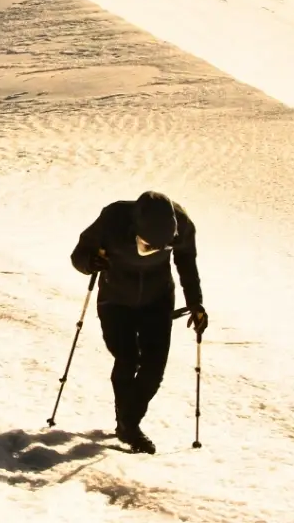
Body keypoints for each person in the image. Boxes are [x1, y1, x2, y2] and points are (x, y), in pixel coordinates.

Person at [70, 190, 206, 454]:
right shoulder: (113, 218)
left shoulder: (183, 225)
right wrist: (90, 262)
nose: (153, 251)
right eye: (146, 245)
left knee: (154, 367)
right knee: (127, 358)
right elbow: (79, 254)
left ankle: (127, 423)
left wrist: (195, 304)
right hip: (115, 299)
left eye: (160, 247)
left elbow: (186, 263)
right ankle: (129, 427)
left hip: (157, 300)